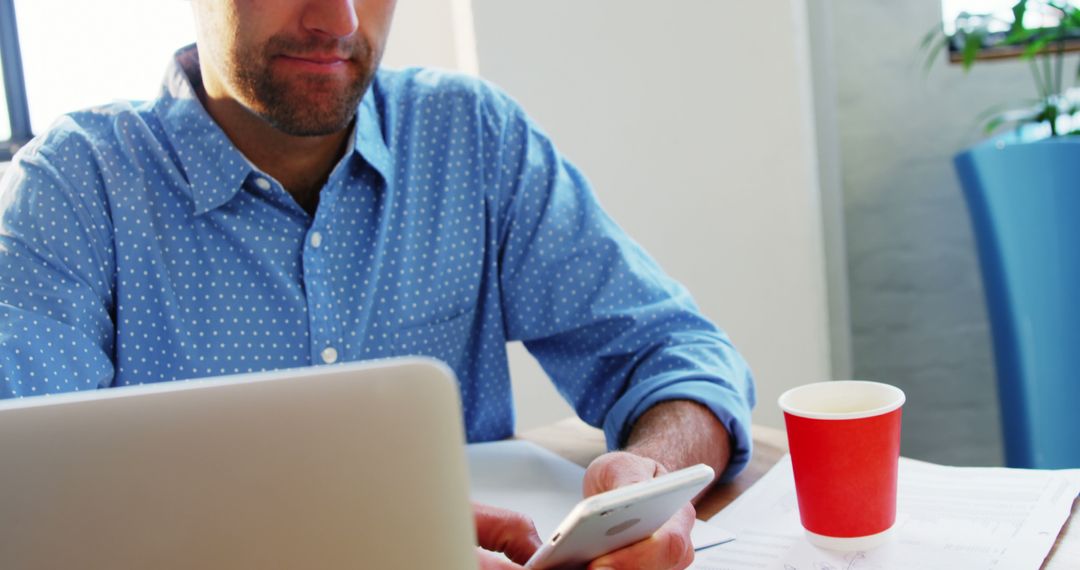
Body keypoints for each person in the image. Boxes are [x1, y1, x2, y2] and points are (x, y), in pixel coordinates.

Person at [0, 1, 755, 568]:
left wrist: (652, 483)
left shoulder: (471, 137)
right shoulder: (78, 186)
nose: (340, 19)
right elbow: (24, 492)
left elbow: (675, 352)